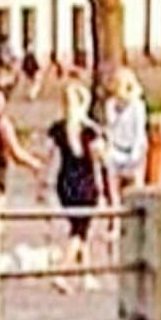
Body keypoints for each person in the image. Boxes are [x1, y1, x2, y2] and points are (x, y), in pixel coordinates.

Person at [45, 81, 108, 291]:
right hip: (85, 183)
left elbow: (49, 156)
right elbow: (101, 158)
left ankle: (86, 274)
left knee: (80, 227)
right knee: (79, 231)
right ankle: (62, 272)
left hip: (65, 182)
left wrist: (42, 183)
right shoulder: (89, 130)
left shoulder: (57, 129)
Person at [104, 67, 149, 192]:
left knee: (135, 184)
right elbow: (111, 126)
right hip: (116, 147)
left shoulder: (137, 106)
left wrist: (134, 153)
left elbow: (139, 131)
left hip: (134, 147)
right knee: (112, 180)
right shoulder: (110, 104)